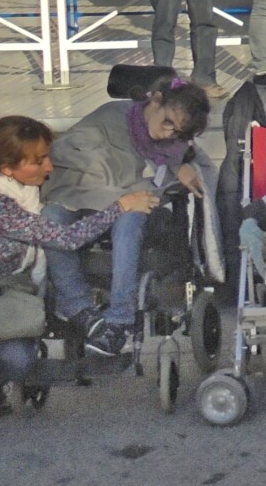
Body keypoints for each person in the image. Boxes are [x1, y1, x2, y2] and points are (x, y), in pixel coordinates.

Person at [0, 116, 158, 431]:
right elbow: (66, 238)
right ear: (7, 168)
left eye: (48, 156)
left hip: (3, 306)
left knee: (20, 361)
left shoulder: (23, 194)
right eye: (39, 161)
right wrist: (121, 205)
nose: (49, 167)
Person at [41, 79, 212, 358]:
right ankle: (77, 307)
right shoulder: (111, 117)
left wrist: (176, 166)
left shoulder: (173, 149)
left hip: (128, 202)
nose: (166, 134)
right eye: (167, 122)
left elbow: (162, 177)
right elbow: (70, 153)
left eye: (176, 131)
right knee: (50, 216)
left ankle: (119, 319)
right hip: (83, 190)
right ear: (155, 99)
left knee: (130, 219)